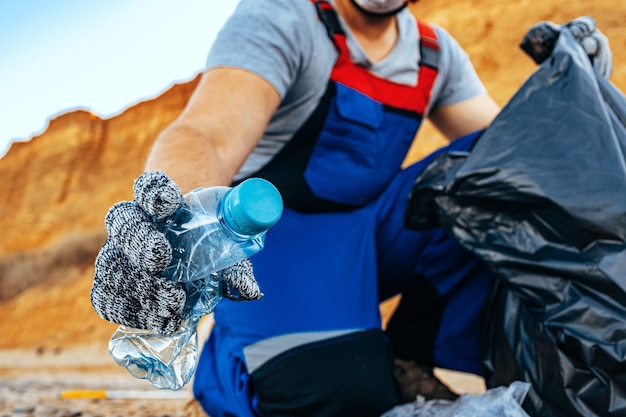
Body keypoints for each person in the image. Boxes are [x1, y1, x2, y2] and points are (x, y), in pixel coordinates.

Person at [90, 1, 612, 416]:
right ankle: (224, 372)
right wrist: (176, 223)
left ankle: (405, 357)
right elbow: (205, 134)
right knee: (334, 397)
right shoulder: (283, 18)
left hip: (371, 235)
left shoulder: (436, 54)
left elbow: (516, 160)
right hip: (275, 247)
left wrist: (574, 95)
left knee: (497, 176)